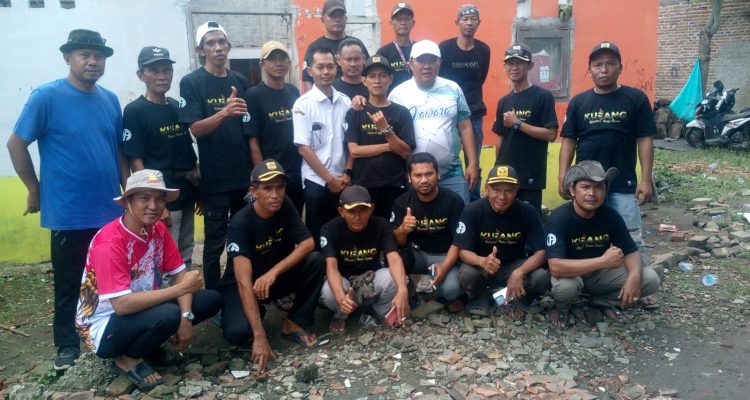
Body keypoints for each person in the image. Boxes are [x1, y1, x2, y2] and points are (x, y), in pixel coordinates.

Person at [6, 29, 128, 371]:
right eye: (84, 54)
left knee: (111, 280)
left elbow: (118, 151)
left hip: (109, 210)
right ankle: (66, 345)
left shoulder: (110, 100)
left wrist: (127, 193)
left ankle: (105, 335)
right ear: (68, 58)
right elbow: (16, 144)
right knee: (69, 282)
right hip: (69, 211)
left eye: (98, 55)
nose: (93, 61)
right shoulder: (46, 96)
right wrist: (34, 188)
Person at [75, 170, 222, 390]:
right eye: (144, 198)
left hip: (141, 308)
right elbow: (122, 305)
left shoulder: (157, 230)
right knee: (168, 314)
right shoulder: (110, 242)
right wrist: (179, 291)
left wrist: (186, 317)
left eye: (159, 199)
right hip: (103, 325)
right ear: (128, 202)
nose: (153, 206)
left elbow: (180, 274)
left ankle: (148, 346)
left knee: (210, 300)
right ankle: (127, 358)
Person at [559, 41, 656, 272]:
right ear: (589, 69)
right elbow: (569, 140)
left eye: (610, 64)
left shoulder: (636, 98)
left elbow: (645, 140)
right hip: (586, 183)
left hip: (623, 183)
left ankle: (641, 281)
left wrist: (645, 179)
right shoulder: (578, 102)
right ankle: (596, 279)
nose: (604, 69)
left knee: (631, 236)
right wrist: (563, 175)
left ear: (620, 67)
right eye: (598, 65)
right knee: (586, 236)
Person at [220, 160, 325, 372]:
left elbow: (308, 243)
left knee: (315, 260)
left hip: (271, 280)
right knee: (237, 333)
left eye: (280, 187)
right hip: (244, 285)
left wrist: (273, 273)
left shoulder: (285, 205)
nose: (275, 195)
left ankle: (295, 321)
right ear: (254, 192)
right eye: (267, 188)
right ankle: (236, 313)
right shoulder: (240, 223)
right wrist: (260, 336)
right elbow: (243, 282)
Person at [178, 21, 252, 291]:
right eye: (210, 43)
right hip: (215, 180)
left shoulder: (240, 81)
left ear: (229, 47)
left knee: (241, 238)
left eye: (222, 42)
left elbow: (248, 129)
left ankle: (235, 288)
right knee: (214, 243)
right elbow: (196, 129)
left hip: (243, 178)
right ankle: (213, 295)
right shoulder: (191, 82)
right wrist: (224, 112)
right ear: (201, 50)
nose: (218, 48)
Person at [547, 160, 660, 327]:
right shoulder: (558, 218)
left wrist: (634, 277)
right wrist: (603, 261)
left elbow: (630, 251)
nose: (592, 193)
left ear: (606, 190)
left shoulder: (610, 215)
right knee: (565, 288)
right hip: (571, 274)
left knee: (650, 279)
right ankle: (562, 307)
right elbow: (555, 267)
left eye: (599, 187)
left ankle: (603, 301)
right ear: (572, 190)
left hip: (599, 274)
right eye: (585, 187)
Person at [122, 46, 198, 269]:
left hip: (185, 190)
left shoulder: (176, 107)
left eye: (166, 70)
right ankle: (167, 291)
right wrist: (156, 202)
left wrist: (198, 191)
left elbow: (187, 151)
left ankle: (184, 288)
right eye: (154, 71)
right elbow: (136, 160)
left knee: (186, 248)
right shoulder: (135, 111)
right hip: (163, 193)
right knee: (164, 254)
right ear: (141, 75)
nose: (162, 76)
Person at [389, 40, 478, 204]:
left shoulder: (453, 89)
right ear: (410, 63)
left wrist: (472, 163)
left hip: (452, 173)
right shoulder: (397, 94)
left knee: (459, 217)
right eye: (421, 60)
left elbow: (465, 126)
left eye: (432, 60)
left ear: (440, 62)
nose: (427, 66)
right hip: (414, 177)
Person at [453, 165, 550, 317]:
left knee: (540, 277)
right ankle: (480, 296)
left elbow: (541, 252)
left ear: (517, 190)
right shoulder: (472, 210)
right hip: (482, 266)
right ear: (486, 189)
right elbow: (463, 251)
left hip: (514, 264)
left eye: (509, 191)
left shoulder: (528, 212)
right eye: (496, 190)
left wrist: (520, 271)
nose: (502, 197)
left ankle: (513, 296)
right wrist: (481, 261)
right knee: (467, 274)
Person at [320, 185, 410, 333]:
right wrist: (340, 297)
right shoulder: (330, 229)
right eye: (351, 211)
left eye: (363, 210)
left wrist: (402, 289)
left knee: (397, 279)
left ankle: (380, 312)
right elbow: (331, 266)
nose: (357, 217)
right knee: (328, 292)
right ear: (341, 212)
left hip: (371, 280)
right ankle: (340, 315)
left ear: (371, 209)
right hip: (344, 282)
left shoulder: (381, 225)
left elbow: (393, 257)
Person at [293, 45, 352, 245]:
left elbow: (351, 142)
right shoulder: (303, 104)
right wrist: (329, 179)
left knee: (342, 231)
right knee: (318, 235)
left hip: (343, 179)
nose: (326, 72)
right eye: (320, 67)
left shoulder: (345, 102)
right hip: (316, 182)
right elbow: (303, 148)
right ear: (310, 71)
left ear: (337, 68)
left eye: (330, 66)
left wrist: (347, 173)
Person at [390, 153, 465, 308]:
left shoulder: (453, 201)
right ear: (409, 177)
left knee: (452, 290)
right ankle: (410, 289)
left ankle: (431, 291)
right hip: (415, 254)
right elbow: (397, 242)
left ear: (438, 174)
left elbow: (458, 242)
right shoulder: (402, 202)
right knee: (393, 258)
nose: (424, 180)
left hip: (443, 255)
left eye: (429, 174)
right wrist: (403, 229)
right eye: (418, 175)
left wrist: (444, 267)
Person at [346, 55, 416, 218]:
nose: (377, 81)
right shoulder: (356, 112)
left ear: (390, 79)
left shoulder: (401, 112)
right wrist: (389, 146)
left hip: (394, 185)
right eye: (372, 76)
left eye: (382, 75)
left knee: (393, 229)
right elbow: (354, 151)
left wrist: (386, 129)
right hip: (363, 186)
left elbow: (405, 152)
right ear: (364, 80)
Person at [493, 44, 558, 214]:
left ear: (530, 66)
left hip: (531, 176)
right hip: (505, 175)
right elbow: (500, 137)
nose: (514, 67)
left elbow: (551, 134)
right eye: (510, 63)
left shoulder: (543, 97)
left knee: (529, 220)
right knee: (503, 220)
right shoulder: (504, 101)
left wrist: (518, 123)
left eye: (520, 63)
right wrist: (497, 166)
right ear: (505, 66)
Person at [439, 4, 490, 202]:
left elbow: (481, 78)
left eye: (473, 19)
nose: (469, 23)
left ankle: (474, 200)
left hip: (474, 113)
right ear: (457, 22)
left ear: (479, 23)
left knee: (473, 161)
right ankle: (446, 196)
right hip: (448, 114)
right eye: (465, 19)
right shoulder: (445, 48)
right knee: (445, 156)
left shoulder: (484, 50)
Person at [244, 41, 303, 213]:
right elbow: (253, 141)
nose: (278, 63)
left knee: (294, 217)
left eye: (282, 58)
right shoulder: (253, 95)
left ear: (289, 63)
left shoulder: (293, 92)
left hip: (296, 172)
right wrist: (262, 177)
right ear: (262, 64)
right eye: (272, 59)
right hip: (271, 175)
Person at [301, 0, 355, 92]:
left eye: (340, 15)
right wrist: (313, 99)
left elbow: (368, 74)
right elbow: (307, 80)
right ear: (323, 20)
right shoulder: (314, 47)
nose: (337, 19)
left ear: (346, 19)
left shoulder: (355, 45)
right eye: (333, 16)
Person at [376, 2, 416, 92]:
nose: (403, 23)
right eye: (399, 19)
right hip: (393, 98)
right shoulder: (383, 53)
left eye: (407, 19)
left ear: (413, 23)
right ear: (391, 23)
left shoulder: (419, 48)